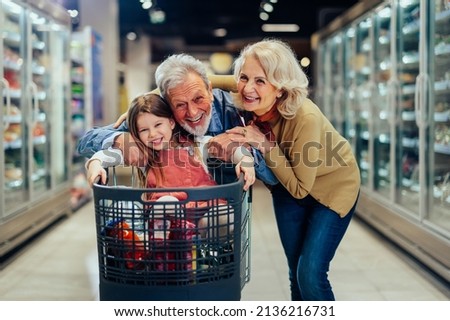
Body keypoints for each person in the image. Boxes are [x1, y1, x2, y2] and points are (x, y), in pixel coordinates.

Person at [225, 38, 361, 301]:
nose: (248, 88)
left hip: (331, 188)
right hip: (286, 184)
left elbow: (300, 189)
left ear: (280, 87)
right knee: (294, 272)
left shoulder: (304, 117)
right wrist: (147, 102)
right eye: (243, 78)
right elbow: (199, 79)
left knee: (310, 274)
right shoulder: (251, 102)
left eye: (260, 81)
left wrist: (263, 145)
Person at [76, 54, 278, 186]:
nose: (192, 112)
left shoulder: (236, 110)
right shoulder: (159, 119)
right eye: (180, 105)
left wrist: (250, 155)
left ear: (210, 89)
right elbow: (85, 141)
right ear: (168, 104)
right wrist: (118, 141)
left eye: (198, 98)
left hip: (219, 213)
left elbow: (275, 178)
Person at [86, 92, 255, 236]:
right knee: (167, 201)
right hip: (167, 226)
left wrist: (244, 159)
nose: (153, 134)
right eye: (144, 130)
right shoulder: (145, 154)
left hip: (203, 217)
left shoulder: (197, 145)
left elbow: (229, 148)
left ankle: (198, 247)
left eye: (158, 124)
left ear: (171, 123)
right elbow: (112, 154)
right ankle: (164, 252)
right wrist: (96, 162)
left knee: (226, 216)